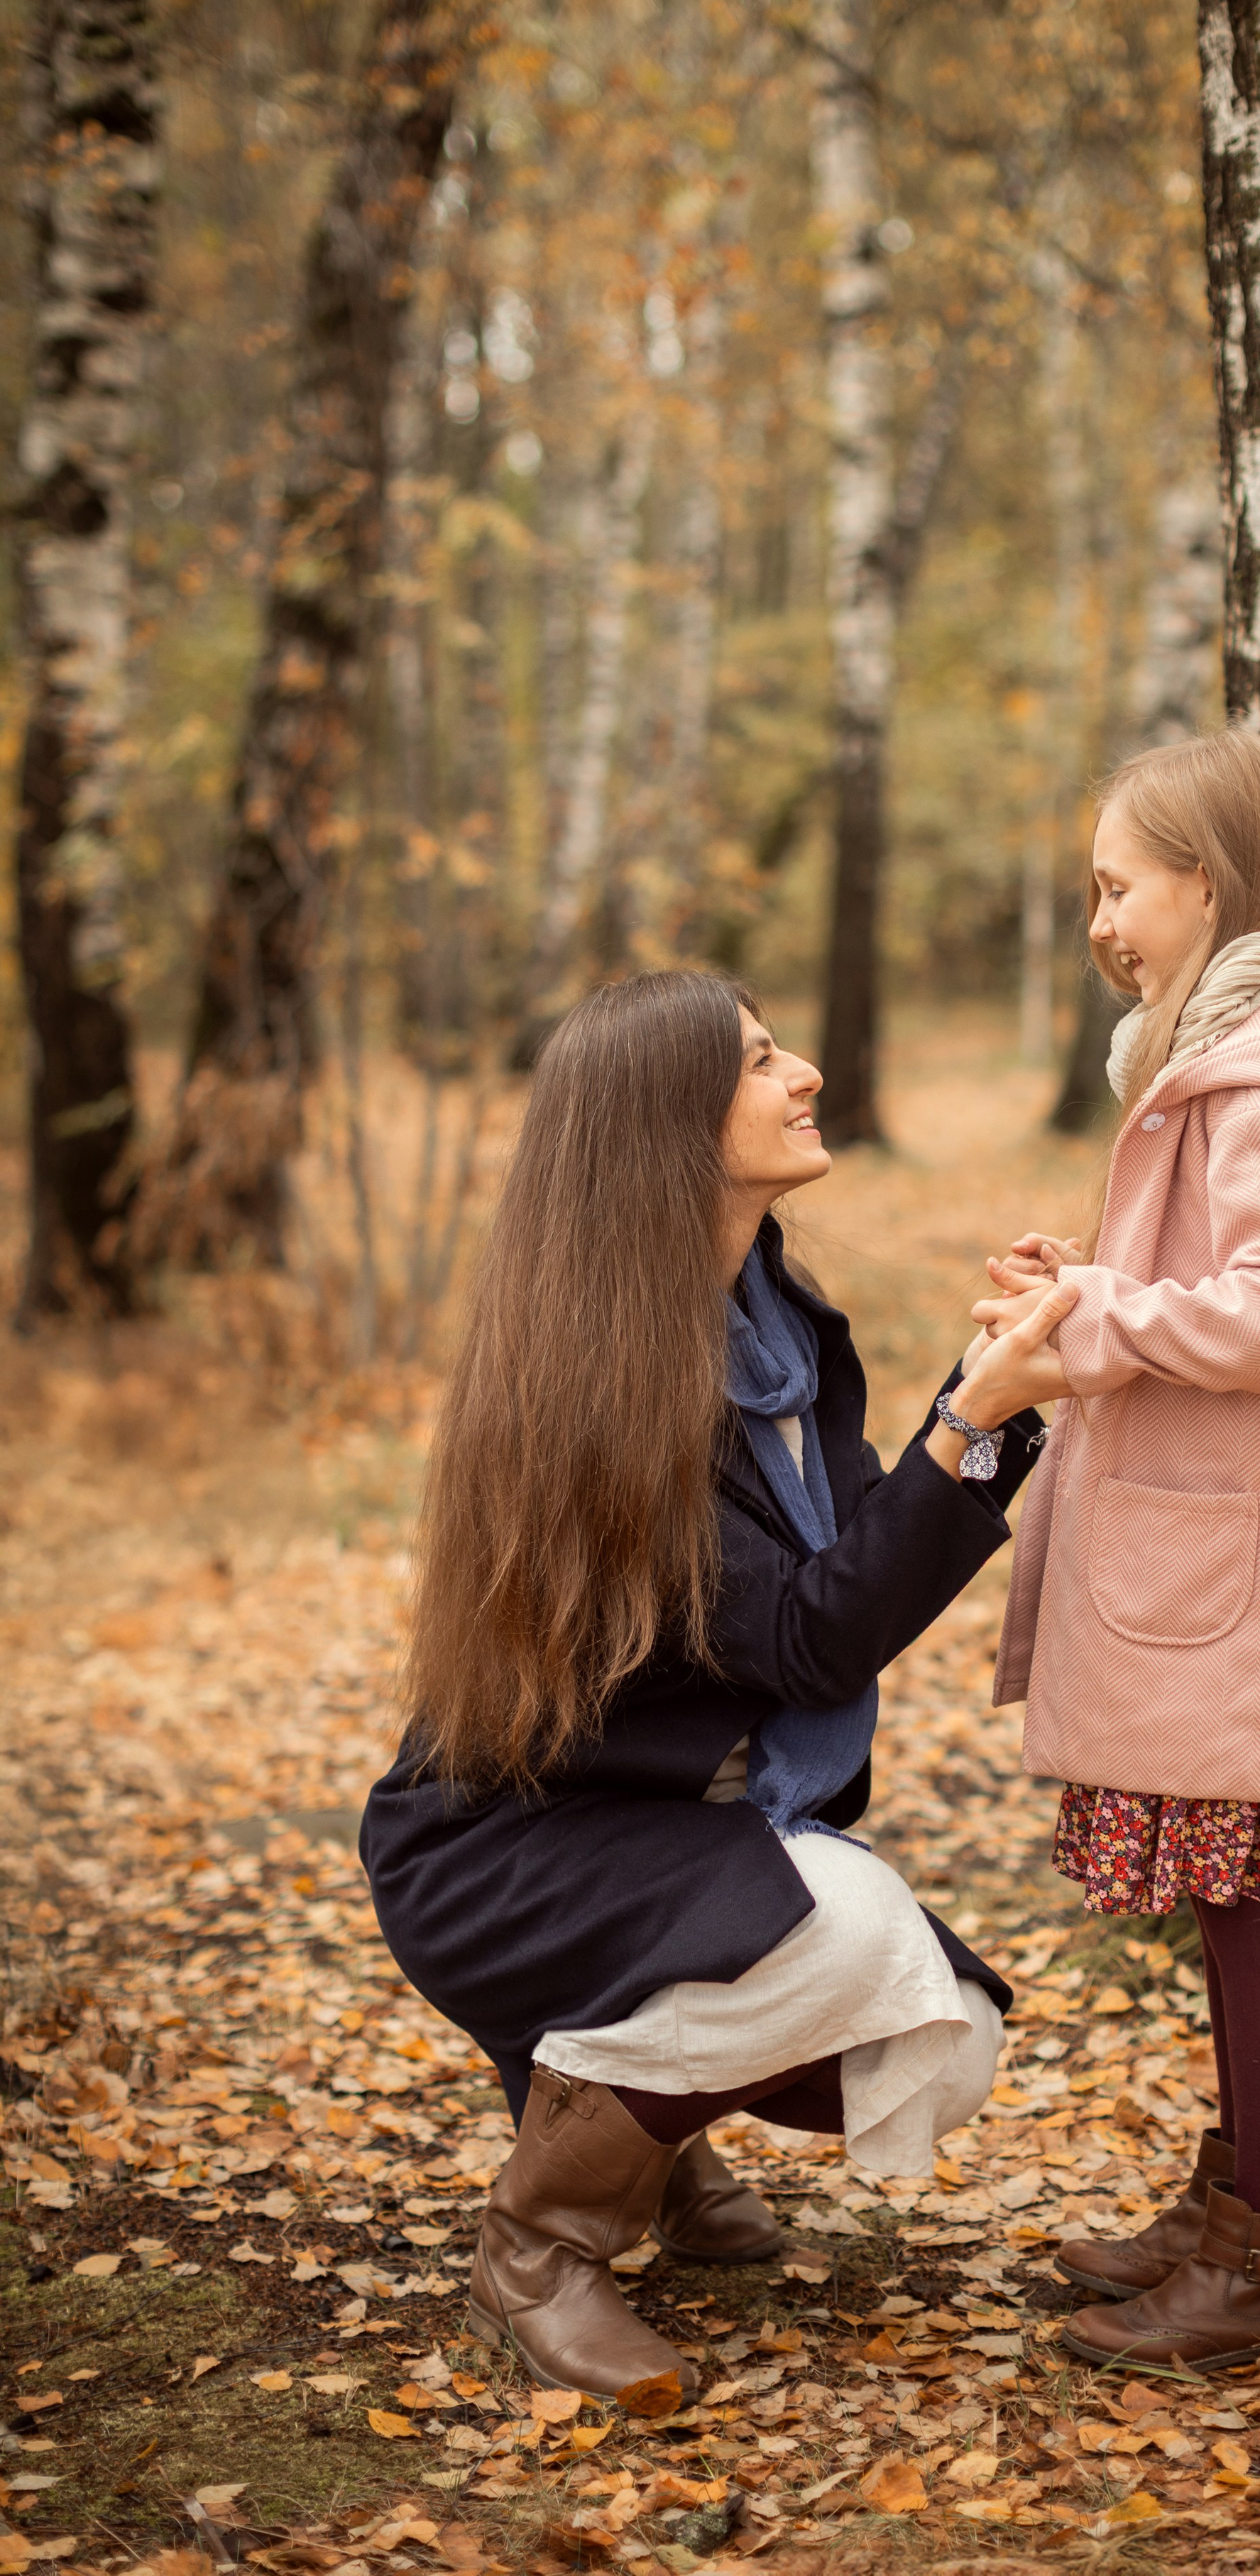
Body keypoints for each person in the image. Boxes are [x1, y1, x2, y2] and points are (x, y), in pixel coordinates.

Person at [360, 970, 1074, 2398]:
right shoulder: (610, 1384)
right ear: (668, 1128)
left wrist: (978, 1401)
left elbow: (851, 1559)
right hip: (503, 1853)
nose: (804, 1070)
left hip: (644, 1825)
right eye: (759, 1062)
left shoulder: (777, 1326)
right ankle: (540, 2240)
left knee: (947, 2025)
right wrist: (968, 1418)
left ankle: (648, 2151)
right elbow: (812, 1635)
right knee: (848, 1932)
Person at [973, 733, 1260, 2377]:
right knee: (1230, 1901)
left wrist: (1092, 1313)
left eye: (1115, 885)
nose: (1099, 917)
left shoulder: (1252, 1070)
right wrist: (1089, 1267)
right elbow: (1232, 1274)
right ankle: (1229, 2203)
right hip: (1240, 1559)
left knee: (1248, 1910)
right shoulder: (1232, 1054)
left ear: (1204, 886)